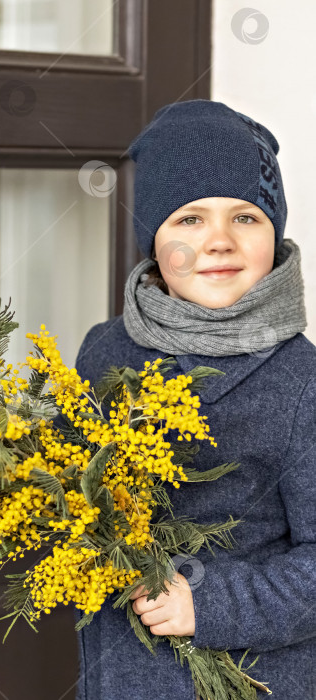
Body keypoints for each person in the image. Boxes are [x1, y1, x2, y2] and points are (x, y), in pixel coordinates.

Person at [72, 100, 316, 700]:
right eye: (189, 220)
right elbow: (49, 455)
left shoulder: (302, 381)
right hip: (118, 673)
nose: (219, 242)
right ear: (153, 239)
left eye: (247, 218)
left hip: (251, 680)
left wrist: (210, 604)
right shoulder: (105, 350)